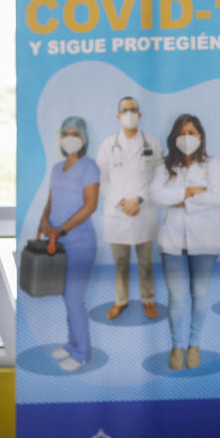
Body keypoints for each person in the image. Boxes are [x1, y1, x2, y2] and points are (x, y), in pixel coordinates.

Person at [150, 114, 220, 371]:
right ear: (174, 138)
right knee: (177, 297)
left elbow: (217, 196)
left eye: (192, 132)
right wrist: (190, 192)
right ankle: (177, 346)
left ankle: (194, 344)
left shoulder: (211, 164)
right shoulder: (164, 165)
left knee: (200, 295)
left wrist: (180, 200)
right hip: (172, 242)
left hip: (205, 241)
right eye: (182, 132)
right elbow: (156, 194)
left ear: (200, 136)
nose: (187, 137)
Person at [39, 116, 100, 372]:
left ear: (83, 138)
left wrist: (61, 230)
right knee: (66, 297)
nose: (70, 137)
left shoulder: (90, 167)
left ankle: (81, 353)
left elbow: (90, 205)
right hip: (57, 243)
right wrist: (44, 224)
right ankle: (72, 342)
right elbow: (51, 201)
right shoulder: (56, 168)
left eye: (75, 133)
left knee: (74, 298)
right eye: (66, 133)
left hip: (79, 243)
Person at [95, 96, 164, 320]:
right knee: (120, 263)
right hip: (118, 213)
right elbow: (102, 179)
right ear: (118, 116)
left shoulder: (152, 143)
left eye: (133, 109)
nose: (129, 113)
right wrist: (122, 202)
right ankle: (120, 301)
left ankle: (148, 299)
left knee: (145, 262)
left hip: (144, 211)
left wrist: (139, 199)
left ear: (140, 114)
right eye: (125, 110)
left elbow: (159, 176)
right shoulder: (108, 145)